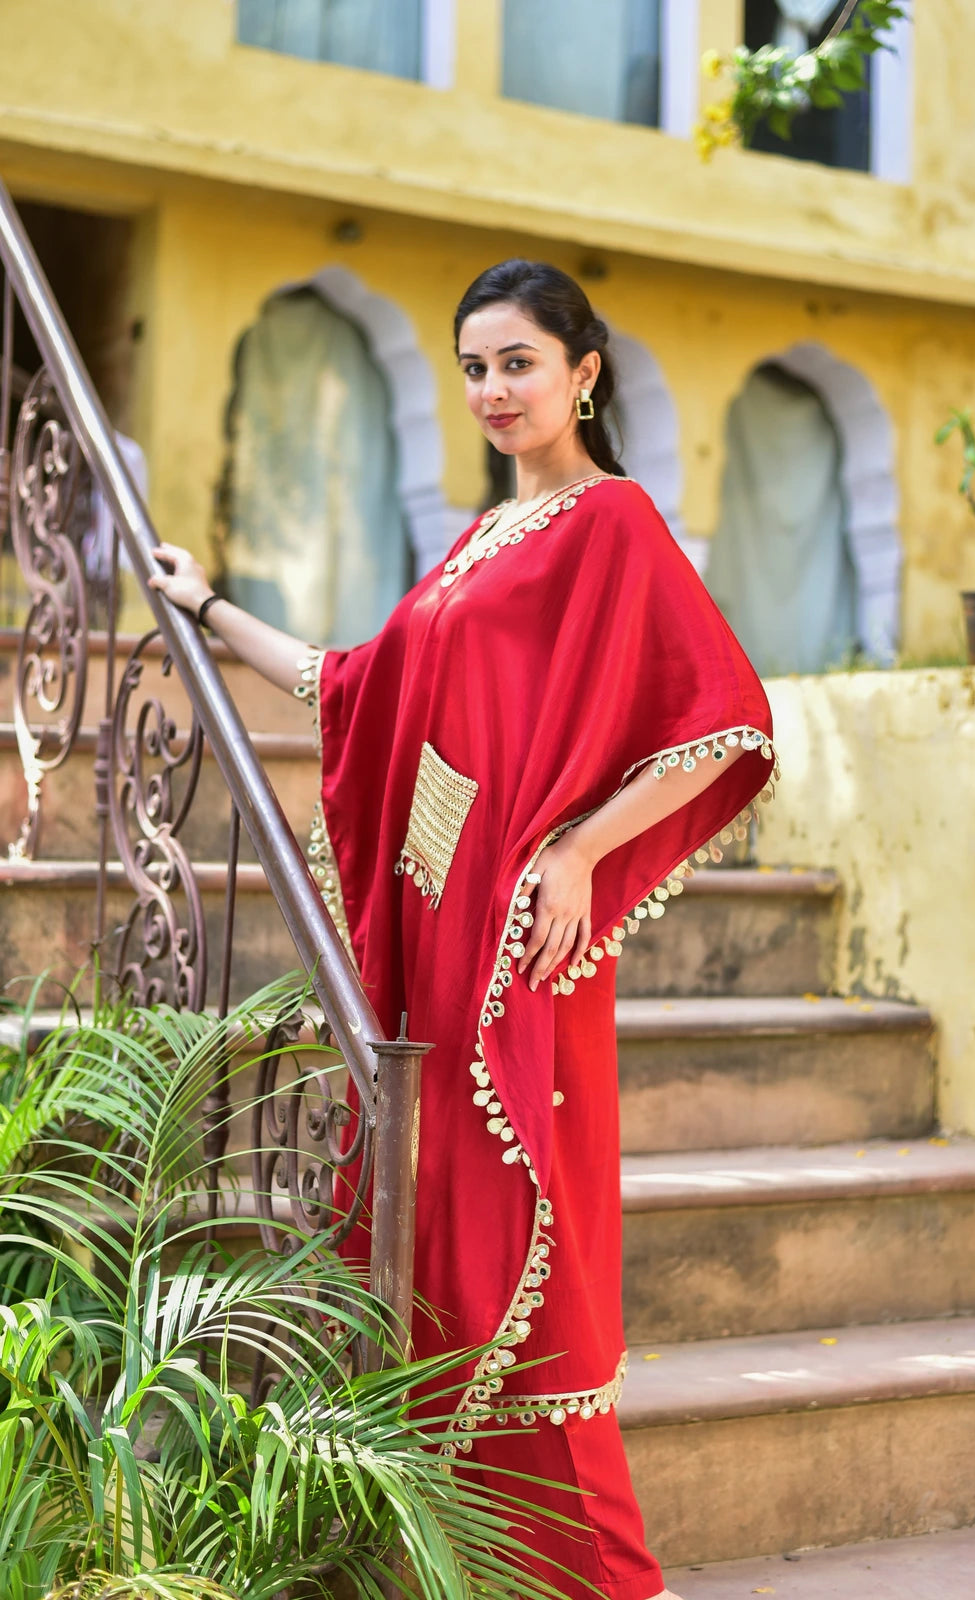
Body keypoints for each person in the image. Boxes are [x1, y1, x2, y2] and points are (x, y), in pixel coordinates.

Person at [150, 259, 777, 1600]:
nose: (495, 392)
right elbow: (352, 686)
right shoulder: (472, 545)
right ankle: (433, 1563)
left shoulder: (611, 525)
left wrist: (573, 849)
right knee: (425, 1233)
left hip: (514, 956)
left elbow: (721, 720)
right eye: (475, 368)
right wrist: (203, 605)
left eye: (520, 364)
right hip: (433, 950)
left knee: (517, 1254)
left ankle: (589, 1576)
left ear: (584, 373)